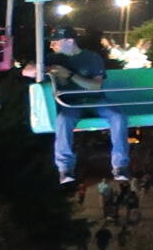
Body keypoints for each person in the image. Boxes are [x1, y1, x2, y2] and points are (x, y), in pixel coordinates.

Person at [36, 29, 130, 186]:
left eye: (56, 41)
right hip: (71, 102)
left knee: (118, 117)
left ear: (70, 41)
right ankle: (65, 168)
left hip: (95, 100)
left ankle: (120, 166)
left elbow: (96, 86)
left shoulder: (92, 58)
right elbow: (28, 70)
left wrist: (70, 75)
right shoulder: (53, 58)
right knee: (63, 120)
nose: (52, 45)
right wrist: (41, 70)